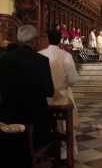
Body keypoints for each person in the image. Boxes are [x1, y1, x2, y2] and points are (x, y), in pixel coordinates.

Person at [0, 25, 54, 168]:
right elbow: (49, 91)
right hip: (35, 117)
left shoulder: (4, 59)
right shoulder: (41, 60)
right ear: (34, 41)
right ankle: (38, 159)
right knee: (48, 127)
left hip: (8, 116)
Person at [39, 30, 79, 159]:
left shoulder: (40, 54)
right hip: (62, 97)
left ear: (47, 39)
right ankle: (66, 154)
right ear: (60, 40)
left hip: (44, 98)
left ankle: (46, 153)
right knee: (64, 127)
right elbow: (73, 80)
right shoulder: (65, 56)